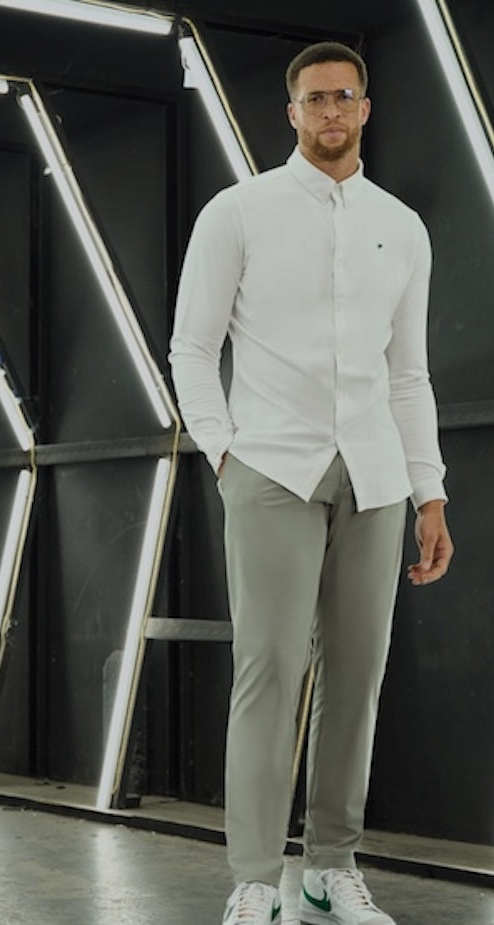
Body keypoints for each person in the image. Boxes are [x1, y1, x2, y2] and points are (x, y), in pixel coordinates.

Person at [169, 40, 453, 925]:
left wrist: (429, 491)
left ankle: (332, 865)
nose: (331, 111)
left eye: (345, 97)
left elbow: (409, 373)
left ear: (366, 108)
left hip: (373, 475)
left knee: (358, 673)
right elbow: (190, 347)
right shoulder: (238, 212)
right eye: (314, 99)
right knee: (270, 668)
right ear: (291, 113)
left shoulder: (402, 227)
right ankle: (255, 877)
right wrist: (221, 451)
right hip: (270, 467)